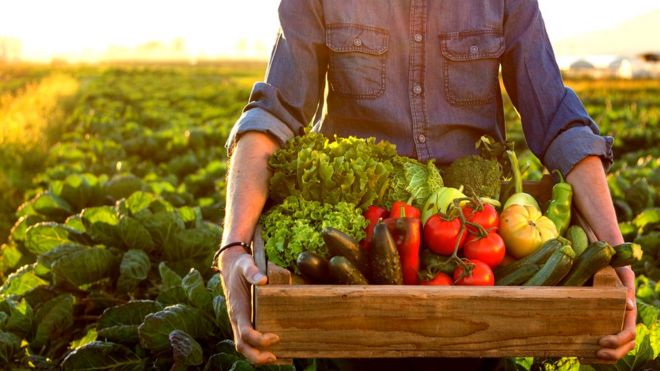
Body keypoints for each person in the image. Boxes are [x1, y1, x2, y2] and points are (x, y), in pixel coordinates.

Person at [216, 0, 637, 367]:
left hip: (477, 250)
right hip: (357, 254)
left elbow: (559, 121)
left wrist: (614, 252)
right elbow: (272, 115)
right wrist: (233, 247)